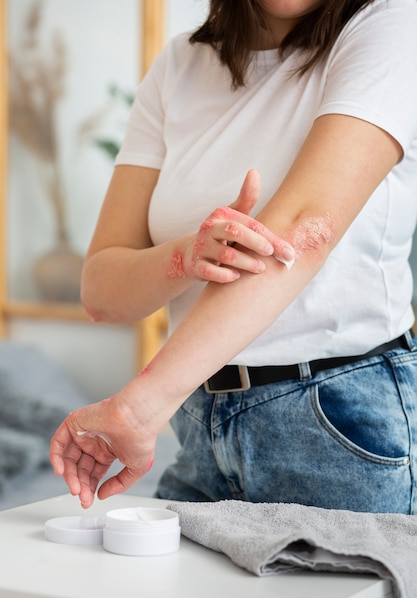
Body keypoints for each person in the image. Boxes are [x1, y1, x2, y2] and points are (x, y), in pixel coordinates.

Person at [50, 0, 417, 514]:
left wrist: (138, 409)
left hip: (340, 418)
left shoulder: (392, 23)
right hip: (197, 417)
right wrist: (187, 256)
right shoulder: (178, 65)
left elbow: (300, 232)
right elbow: (101, 291)